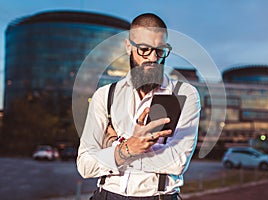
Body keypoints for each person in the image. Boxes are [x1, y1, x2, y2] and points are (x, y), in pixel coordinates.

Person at [77, 13, 200, 200]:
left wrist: (113, 146)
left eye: (160, 50)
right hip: (107, 196)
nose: (153, 58)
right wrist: (129, 148)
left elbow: (177, 162)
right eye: (144, 49)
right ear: (129, 47)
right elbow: (85, 166)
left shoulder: (184, 94)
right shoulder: (105, 96)